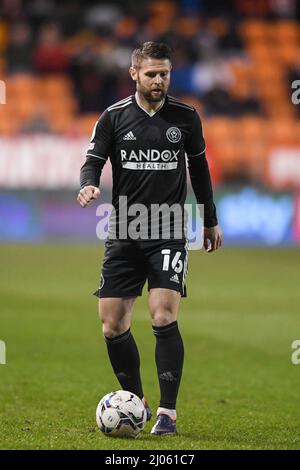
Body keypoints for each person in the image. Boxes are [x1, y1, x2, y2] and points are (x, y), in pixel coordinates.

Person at [77, 42, 223, 436]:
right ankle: (136, 404)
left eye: (165, 74)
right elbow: (92, 162)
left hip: (170, 228)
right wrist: (89, 186)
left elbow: (201, 170)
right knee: (112, 323)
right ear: (134, 74)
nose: (159, 80)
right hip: (125, 229)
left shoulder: (186, 117)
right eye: (152, 74)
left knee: (162, 313)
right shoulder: (113, 118)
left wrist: (209, 219)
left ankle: (167, 414)